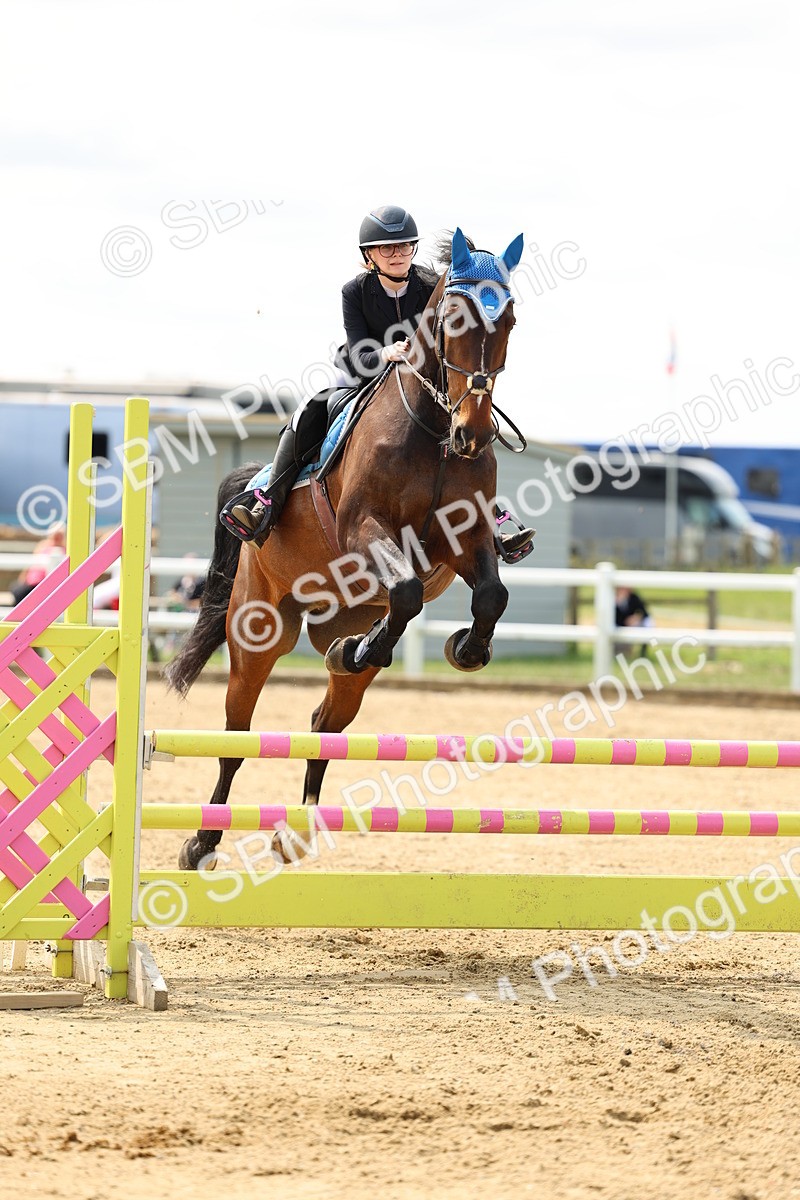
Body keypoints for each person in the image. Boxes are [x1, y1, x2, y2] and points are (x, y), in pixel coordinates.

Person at [222, 205, 534, 560]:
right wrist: (385, 353)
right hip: (363, 373)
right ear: (369, 255)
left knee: (473, 425)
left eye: (405, 247)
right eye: (387, 248)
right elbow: (357, 352)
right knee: (310, 411)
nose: (398, 254)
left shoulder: (432, 285)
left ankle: (490, 519)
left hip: (421, 385)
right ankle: (267, 500)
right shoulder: (354, 291)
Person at [10, 524, 66, 606]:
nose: (56, 537)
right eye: (55, 535)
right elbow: (31, 563)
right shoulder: (42, 545)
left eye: (59, 535)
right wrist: (23, 577)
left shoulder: (63, 550)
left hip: (42, 585)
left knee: (21, 595)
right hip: (31, 583)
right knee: (16, 589)